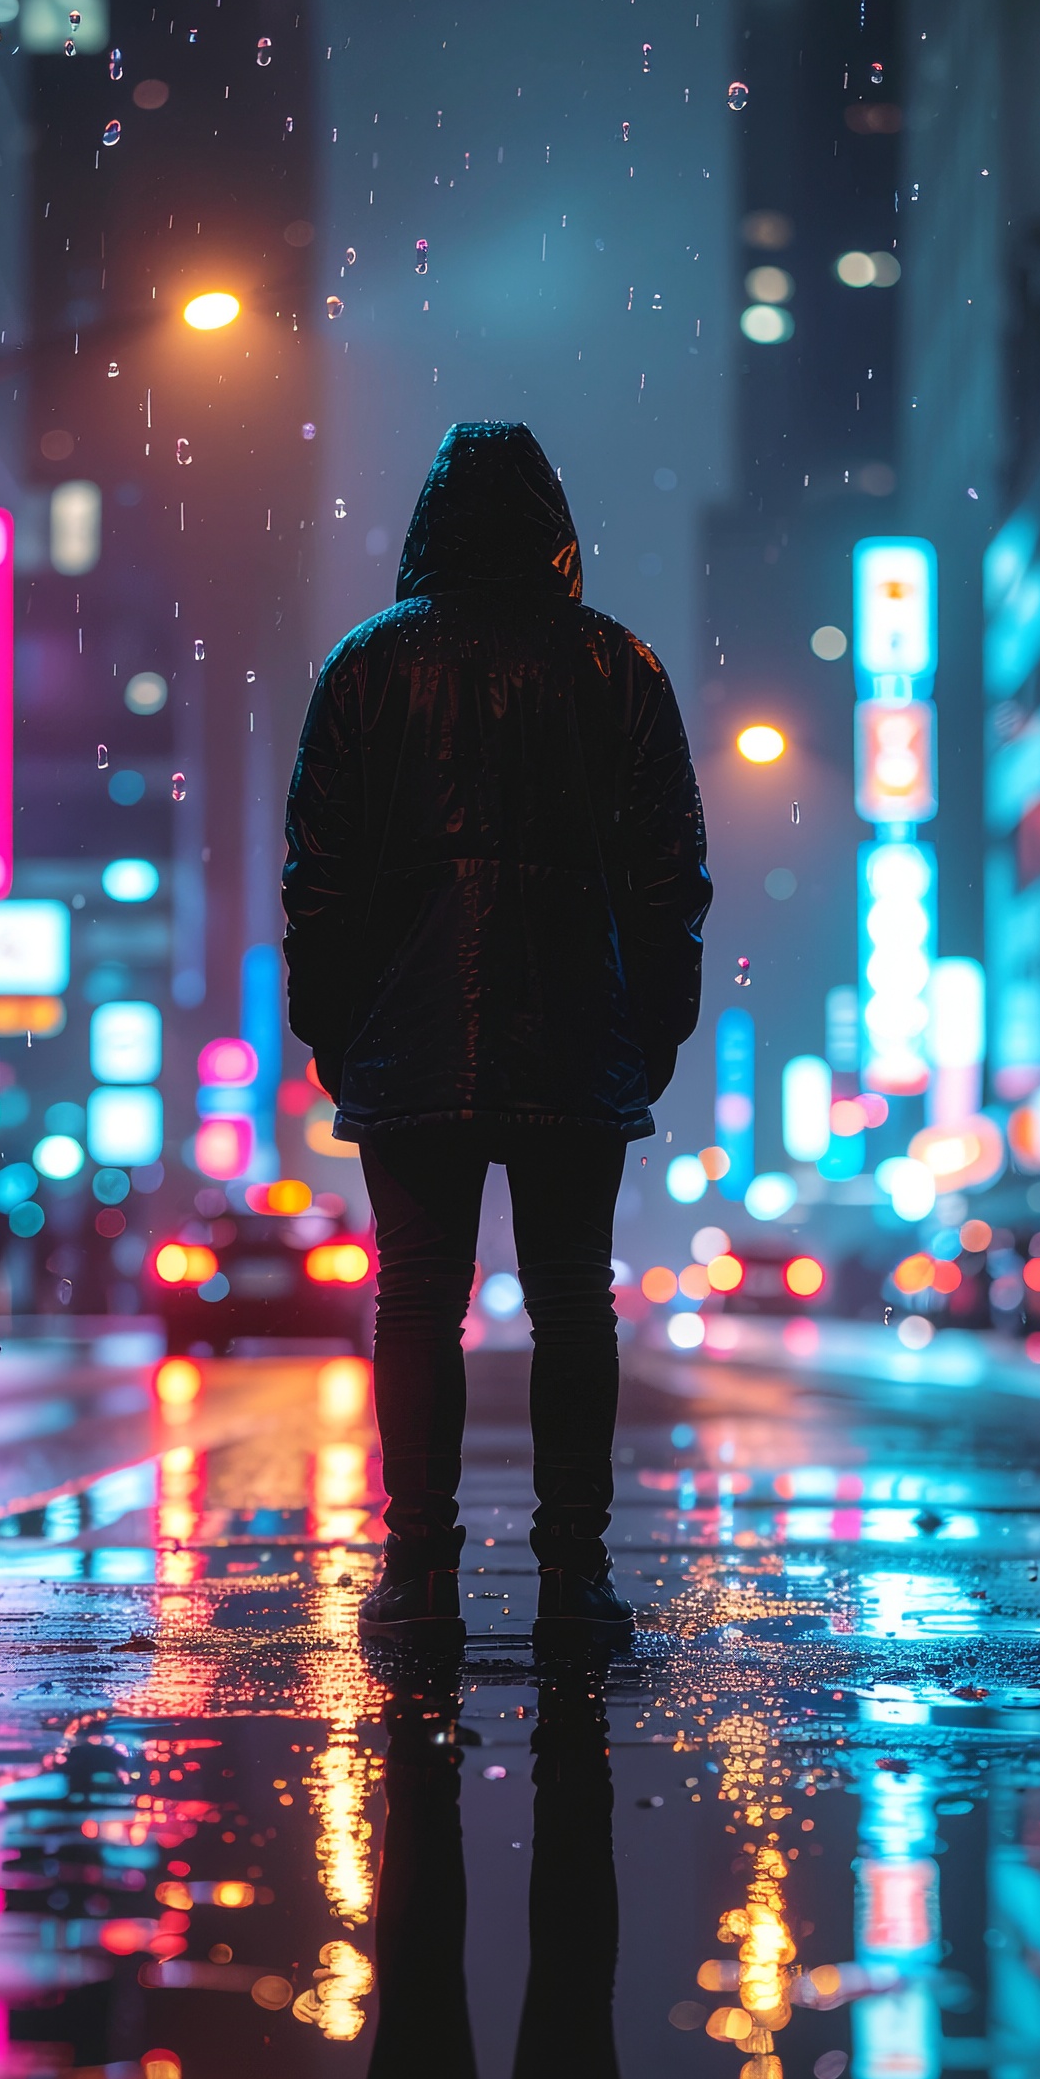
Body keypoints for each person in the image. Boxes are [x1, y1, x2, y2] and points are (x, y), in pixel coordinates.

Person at [283, 422, 710, 1653]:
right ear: (553, 532)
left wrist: (335, 1024)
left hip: (407, 1030)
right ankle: (576, 1578)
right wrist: (656, 1023)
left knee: (417, 1295)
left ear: (427, 528)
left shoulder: (365, 668)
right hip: (577, 1024)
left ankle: (418, 1574)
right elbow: (669, 872)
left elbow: (321, 874)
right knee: (576, 1297)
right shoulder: (616, 665)